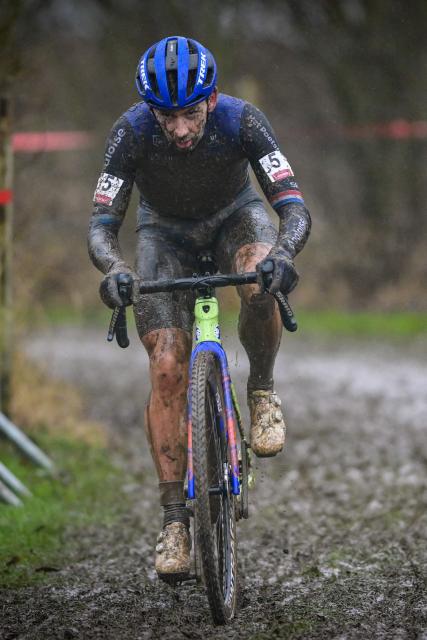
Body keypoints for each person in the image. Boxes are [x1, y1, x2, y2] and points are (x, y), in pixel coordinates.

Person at [88, 35, 311, 580]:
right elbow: (101, 226)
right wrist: (116, 269)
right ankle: (174, 522)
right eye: (167, 117)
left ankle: (261, 390)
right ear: (150, 111)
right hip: (163, 235)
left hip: (237, 217)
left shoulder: (244, 121)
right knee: (167, 366)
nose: (180, 129)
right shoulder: (130, 133)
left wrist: (282, 255)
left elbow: (294, 209)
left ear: (211, 100)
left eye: (190, 113)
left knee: (259, 277)